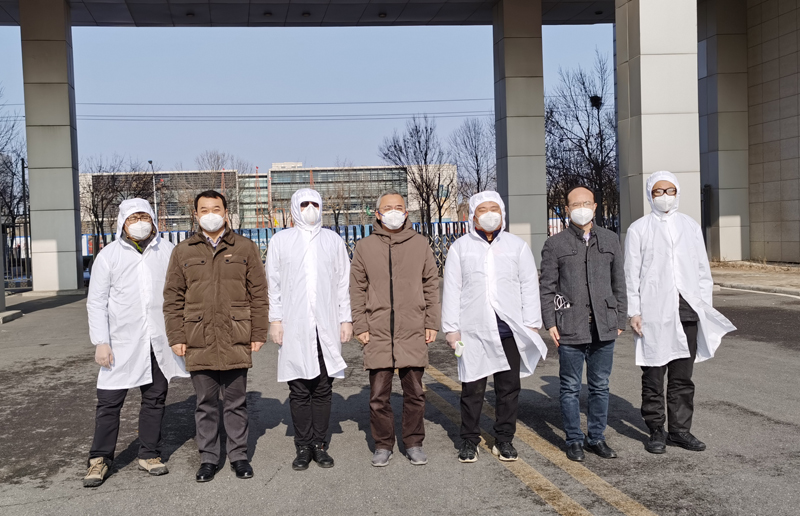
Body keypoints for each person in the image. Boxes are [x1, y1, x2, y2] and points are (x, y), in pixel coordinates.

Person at [625, 171, 736, 454]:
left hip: (687, 311)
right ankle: (656, 430)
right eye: (658, 191)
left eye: (670, 190)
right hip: (653, 313)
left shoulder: (689, 225)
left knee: (682, 378)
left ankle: (680, 431)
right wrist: (634, 311)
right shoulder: (639, 229)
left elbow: (702, 270)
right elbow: (631, 274)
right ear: (650, 195)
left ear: (677, 192)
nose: (664, 196)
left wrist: (704, 306)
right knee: (653, 376)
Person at [163, 190, 268, 482]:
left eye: (216, 209)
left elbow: (259, 294)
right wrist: (176, 336)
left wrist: (258, 332)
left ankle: (238, 456)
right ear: (196, 215)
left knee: (236, 402)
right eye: (204, 210)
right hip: (198, 336)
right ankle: (208, 458)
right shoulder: (183, 251)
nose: (211, 214)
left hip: (236, 333)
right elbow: (172, 298)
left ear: (225, 212)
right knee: (205, 403)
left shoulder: (245, 247)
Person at [84, 198, 188, 488]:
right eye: (133, 218)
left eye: (144, 217)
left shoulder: (167, 251)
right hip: (120, 342)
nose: (139, 223)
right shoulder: (109, 255)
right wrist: (101, 341)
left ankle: (149, 454)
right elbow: (96, 302)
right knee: (109, 402)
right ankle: (99, 458)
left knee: (155, 399)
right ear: (123, 222)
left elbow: (180, 294)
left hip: (158, 340)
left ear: (153, 220)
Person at [442, 191, 547, 463]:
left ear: (502, 213)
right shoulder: (460, 248)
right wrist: (451, 329)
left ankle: (504, 439)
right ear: (473, 215)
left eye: (494, 209)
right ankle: (469, 440)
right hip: (473, 331)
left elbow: (528, 285)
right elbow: (452, 290)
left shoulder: (516, 246)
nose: (489, 214)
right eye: (483, 209)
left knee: (508, 389)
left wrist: (532, 323)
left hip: (508, 330)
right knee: (472, 388)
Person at [350, 190, 440, 467]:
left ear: (406, 212)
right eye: (387, 208)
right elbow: (356, 289)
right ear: (377, 214)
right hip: (377, 330)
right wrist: (360, 325)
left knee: (415, 393)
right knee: (378, 396)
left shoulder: (420, 244)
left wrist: (431, 322)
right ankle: (383, 444)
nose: (393, 212)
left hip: (412, 327)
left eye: (398, 207)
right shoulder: (364, 247)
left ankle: (413, 442)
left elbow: (431, 284)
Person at [266, 188, 352, 471]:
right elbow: (274, 285)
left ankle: (319, 444)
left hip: (326, 323)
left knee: (323, 387)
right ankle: (303, 445)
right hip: (295, 325)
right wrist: (276, 320)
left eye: (315, 203)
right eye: (304, 204)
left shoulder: (333, 240)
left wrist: (345, 319)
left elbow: (343, 283)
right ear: (295, 207)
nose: (310, 209)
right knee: (299, 388)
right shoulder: (281, 241)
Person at [539, 186, 627, 462]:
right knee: (570, 387)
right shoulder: (555, 244)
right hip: (570, 326)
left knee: (600, 385)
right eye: (575, 205)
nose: (581, 208)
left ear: (595, 206)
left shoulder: (610, 239)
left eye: (586, 203)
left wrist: (620, 318)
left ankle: (597, 437)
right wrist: (550, 322)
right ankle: (574, 439)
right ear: (566, 209)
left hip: (604, 325)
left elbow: (619, 282)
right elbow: (547, 287)